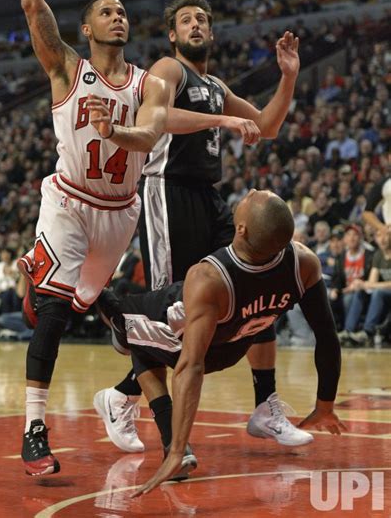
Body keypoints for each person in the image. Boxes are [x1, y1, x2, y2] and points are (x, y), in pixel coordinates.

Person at [94, 0, 304, 452]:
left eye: (202, 20)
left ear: (210, 32)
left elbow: (267, 127)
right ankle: (137, 407)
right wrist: (225, 120)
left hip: (208, 198)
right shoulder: (169, 71)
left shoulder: (216, 85)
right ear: (173, 34)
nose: (195, 26)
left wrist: (287, 78)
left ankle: (265, 405)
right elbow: (160, 116)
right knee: (173, 315)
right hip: (166, 192)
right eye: (186, 20)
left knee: (255, 278)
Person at [13, 0, 169, 476]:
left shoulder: (147, 83)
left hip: (120, 211)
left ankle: (47, 280)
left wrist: (115, 135)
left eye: (123, 10)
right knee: (56, 312)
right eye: (106, 11)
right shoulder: (66, 70)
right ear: (86, 29)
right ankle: (34, 429)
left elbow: (151, 135)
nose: (118, 15)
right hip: (70, 200)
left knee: (89, 304)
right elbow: (32, 5)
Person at [96, 190, 346, 494]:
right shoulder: (303, 263)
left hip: (180, 325)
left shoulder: (209, 277)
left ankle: (120, 382)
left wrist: (176, 451)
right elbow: (327, 336)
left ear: (241, 229)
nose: (252, 191)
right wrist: (325, 404)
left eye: (255, 197)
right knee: (153, 341)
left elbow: (190, 366)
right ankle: (125, 392)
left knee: (118, 314)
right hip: (232, 347)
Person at [339, 227, 391, 346]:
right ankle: (348, 330)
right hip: (383, 292)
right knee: (360, 291)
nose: (382, 240)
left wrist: (366, 284)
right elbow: (372, 281)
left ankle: (368, 331)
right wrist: (362, 285)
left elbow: (375, 285)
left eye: (385, 236)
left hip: (385, 292)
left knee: (377, 292)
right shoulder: (378, 255)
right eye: (378, 236)